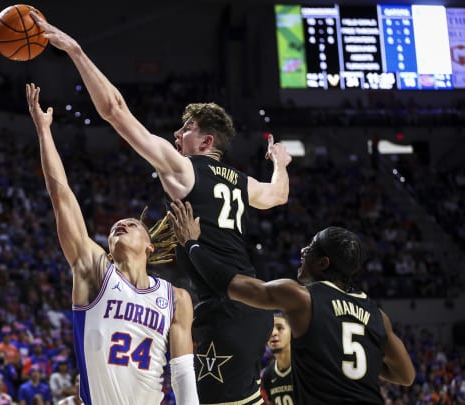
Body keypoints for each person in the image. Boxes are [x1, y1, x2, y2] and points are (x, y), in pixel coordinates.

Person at [31, 13, 292, 405]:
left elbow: (115, 111)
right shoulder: (241, 182)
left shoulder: (184, 169)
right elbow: (278, 196)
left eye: (185, 129)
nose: (176, 135)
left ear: (205, 141)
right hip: (251, 307)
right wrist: (281, 164)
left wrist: (76, 50)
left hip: (217, 308)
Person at [26, 83, 198, 405]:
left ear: (149, 246)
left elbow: (183, 373)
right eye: (116, 226)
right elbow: (61, 195)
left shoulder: (176, 298)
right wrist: (43, 131)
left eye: (132, 224)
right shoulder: (95, 271)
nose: (121, 223)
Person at [168, 199, 415, 404]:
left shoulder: (302, 297)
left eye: (310, 248)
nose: (302, 252)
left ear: (323, 263)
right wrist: (362, 367)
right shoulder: (378, 316)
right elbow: (406, 375)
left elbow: (229, 283)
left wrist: (191, 244)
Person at [260, 313, 294, 405]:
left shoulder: (306, 366)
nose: (273, 333)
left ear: (292, 332)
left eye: (280, 328)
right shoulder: (267, 374)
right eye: (269, 329)